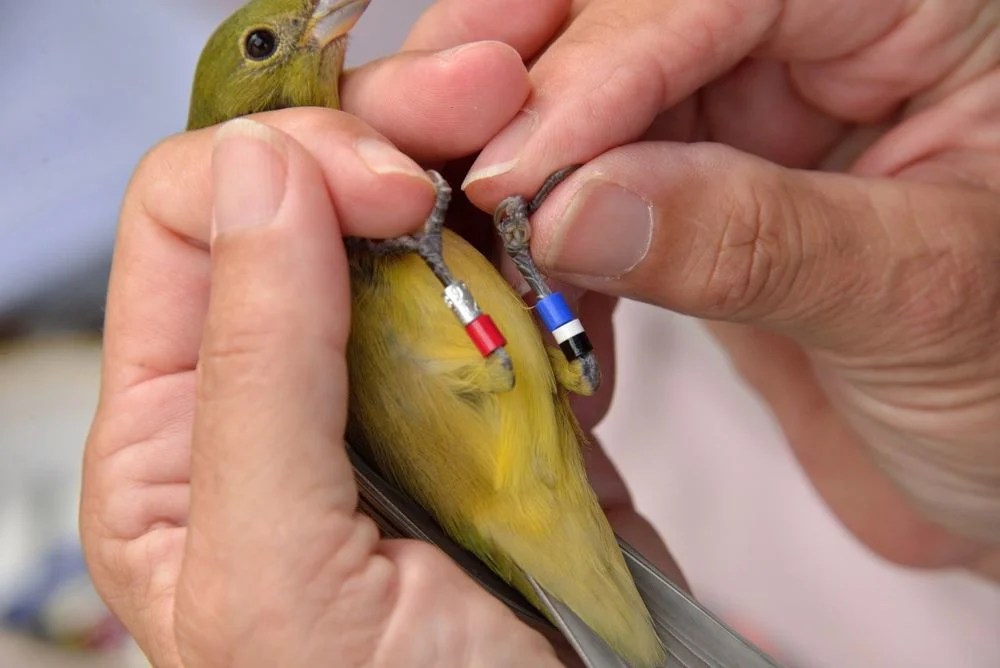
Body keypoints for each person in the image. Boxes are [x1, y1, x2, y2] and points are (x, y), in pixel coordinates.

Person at [81, 0, 1000, 665]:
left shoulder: (333, 196)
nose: (326, 20)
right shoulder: (273, 260)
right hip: (481, 490)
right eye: (269, 39)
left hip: (533, 429)